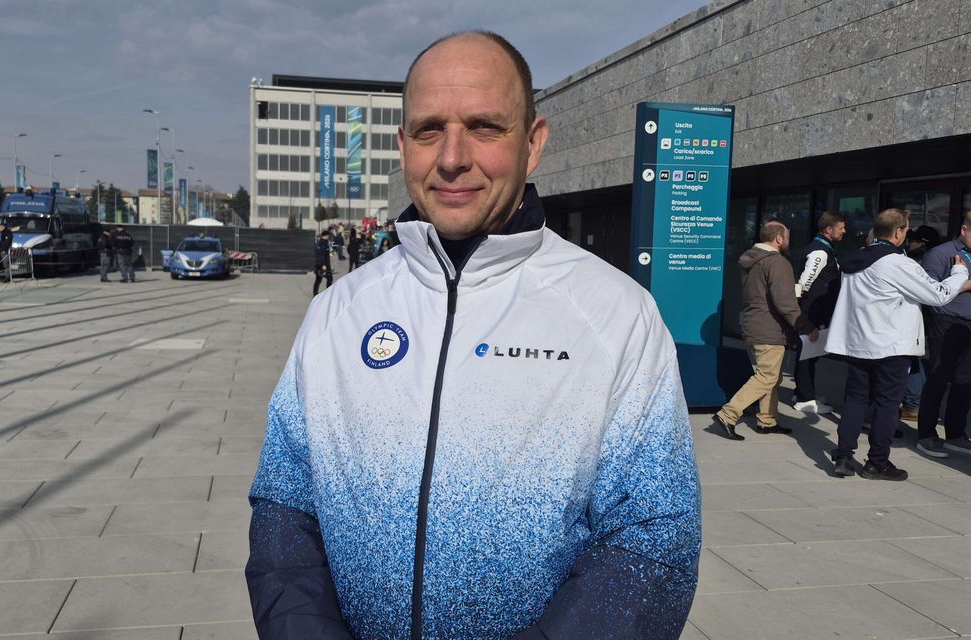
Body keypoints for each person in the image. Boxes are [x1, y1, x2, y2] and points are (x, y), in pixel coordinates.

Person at [247, 31, 700, 640]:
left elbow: (654, 535)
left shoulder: (618, 315)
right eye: (429, 130)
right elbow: (285, 505)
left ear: (533, 143)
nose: (452, 157)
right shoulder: (336, 311)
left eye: (484, 127)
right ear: (403, 145)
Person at [826, 208, 971, 480]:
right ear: (897, 232)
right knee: (887, 404)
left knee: (855, 400)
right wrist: (959, 272)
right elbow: (937, 294)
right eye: (906, 230)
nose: (907, 235)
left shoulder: (855, 259)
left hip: (857, 342)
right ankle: (877, 462)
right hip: (890, 345)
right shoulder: (898, 263)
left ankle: (843, 457)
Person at [713, 221, 817, 440]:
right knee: (767, 377)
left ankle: (767, 421)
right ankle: (728, 414)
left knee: (772, 377)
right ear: (778, 238)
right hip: (770, 329)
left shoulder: (752, 260)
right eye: (787, 236)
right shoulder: (777, 262)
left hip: (753, 325)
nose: (788, 240)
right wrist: (805, 325)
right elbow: (784, 302)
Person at [915, 211, 971, 458]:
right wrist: (965, 284)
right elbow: (929, 291)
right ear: (964, 230)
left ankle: (956, 434)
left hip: (968, 325)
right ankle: (926, 434)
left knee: (964, 382)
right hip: (947, 322)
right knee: (938, 378)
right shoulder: (940, 253)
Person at [792, 211, 846, 414]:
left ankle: (803, 392)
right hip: (811, 312)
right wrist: (803, 318)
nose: (844, 231)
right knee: (806, 355)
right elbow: (803, 284)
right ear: (828, 230)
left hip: (816, 311)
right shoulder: (819, 253)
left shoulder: (825, 250)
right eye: (841, 228)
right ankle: (804, 399)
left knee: (811, 355)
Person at [900, 225, 941, 421]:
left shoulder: (919, 262)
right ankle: (914, 403)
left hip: (922, 319)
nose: (909, 243)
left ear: (923, 244)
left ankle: (912, 404)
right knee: (917, 361)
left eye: (913, 241)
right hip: (929, 320)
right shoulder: (937, 259)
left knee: (913, 361)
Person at [313, 229, 333, 295]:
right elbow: (321, 255)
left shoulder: (323, 242)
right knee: (328, 278)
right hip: (323, 264)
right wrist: (323, 265)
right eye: (328, 235)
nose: (329, 237)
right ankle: (326, 293)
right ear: (325, 235)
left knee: (319, 279)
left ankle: (315, 293)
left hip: (323, 264)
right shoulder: (322, 243)